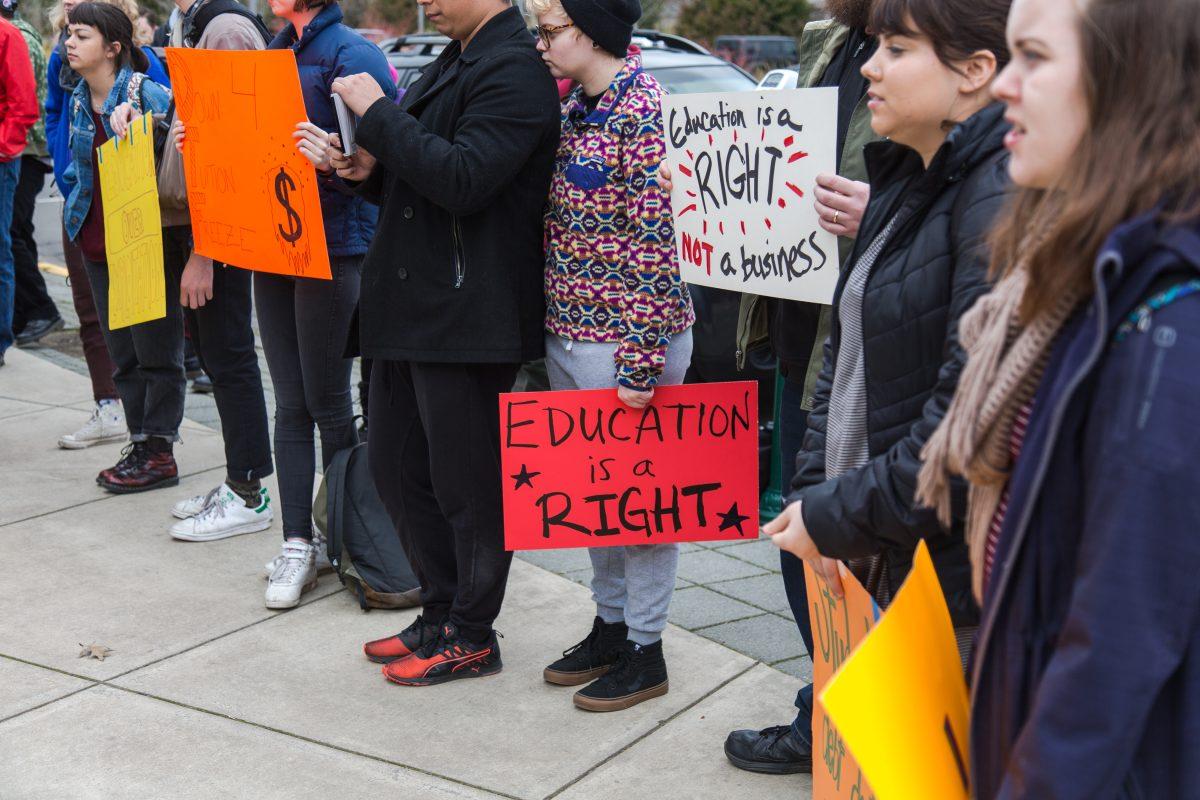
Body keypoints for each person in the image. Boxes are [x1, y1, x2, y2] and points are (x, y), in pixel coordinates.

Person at [916, 0, 1200, 795]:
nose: (1004, 85)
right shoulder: (1076, 268)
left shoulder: (1166, 314)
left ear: (1129, 79)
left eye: (1034, 58)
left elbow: (1116, 640)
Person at [765, 0, 1012, 774]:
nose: (868, 66)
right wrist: (816, 497)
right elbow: (842, 355)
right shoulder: (908, 177)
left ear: (976, 73)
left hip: (940, 582)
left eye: (896, 49)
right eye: (874, 46)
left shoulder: (994, 201)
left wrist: (835, 513)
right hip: (876, 549)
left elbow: (960, 432)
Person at [329, 0, 560, 686]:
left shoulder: (515, 69)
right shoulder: (454, 60)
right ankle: (437, 610)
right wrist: (363, 170)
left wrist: (379, 116)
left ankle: (471, 631)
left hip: (467, 314)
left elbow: (465, 181)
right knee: (397, 471)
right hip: (409, 306)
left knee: (468, 487)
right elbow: (421, 179)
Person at [720, 0, 881, 773]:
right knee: (797, 544)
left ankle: (844, 721)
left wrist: (880, 213)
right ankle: (824, 707)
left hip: (857, 352)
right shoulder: (834, 43)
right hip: (798, 340)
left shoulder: (939, 45)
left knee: (838, 550)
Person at [528, 0, 695, 713]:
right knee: (599, 499)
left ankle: (646, 649)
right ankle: (611, 625)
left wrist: (641, 361)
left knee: (642, 507)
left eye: (550, 31)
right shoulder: (577, 109)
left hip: (624, 341)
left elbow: (659, 240)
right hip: (570, 331)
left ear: (591, 33)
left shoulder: (643, 108)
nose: (540, 43)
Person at [112, 0, 278, 546]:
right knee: (219, 354)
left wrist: (205, 253)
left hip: (219, 228)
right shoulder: (197, 22)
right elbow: (199, 125)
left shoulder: (226, 28)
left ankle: (249, 491)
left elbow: (237, 147)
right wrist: (153, 123)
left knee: (229, 357)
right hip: (202, 221)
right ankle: (239, 483)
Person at [251, 0, 394, 608]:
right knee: (289, 403)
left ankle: (348, 542)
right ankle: (297, 542)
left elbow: (386, 157)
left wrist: (337, 162)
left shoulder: (352, 54)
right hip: (274, 242)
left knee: (329, 405)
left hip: (333, 247)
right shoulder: (278, 50)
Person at [62, 1, 180, 492]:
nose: (70, 42)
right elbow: (78, 169)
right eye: (69, 33)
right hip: (94, 240)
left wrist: (148, 128)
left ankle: (160, 449)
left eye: (82, 35)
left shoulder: (147, 91)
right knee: (123, 354)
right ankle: (140, 440)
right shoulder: (75, 97)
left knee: (156, 350)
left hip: (141, 242)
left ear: (113, 47)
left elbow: (184, 146)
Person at [3, 0, 64, 348]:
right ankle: (27, 312)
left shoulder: (17, 38)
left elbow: (24, 102)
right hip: (22, 148)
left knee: (12, 233)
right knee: (16, 232)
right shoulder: (22, 34)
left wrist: (7, 144)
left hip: (23, 150)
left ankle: (40, 308)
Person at [0, 12, 38, 367]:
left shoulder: (8, 35)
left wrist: (3, 146)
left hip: (1, 160)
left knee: (0, 249)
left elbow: (25, 104)